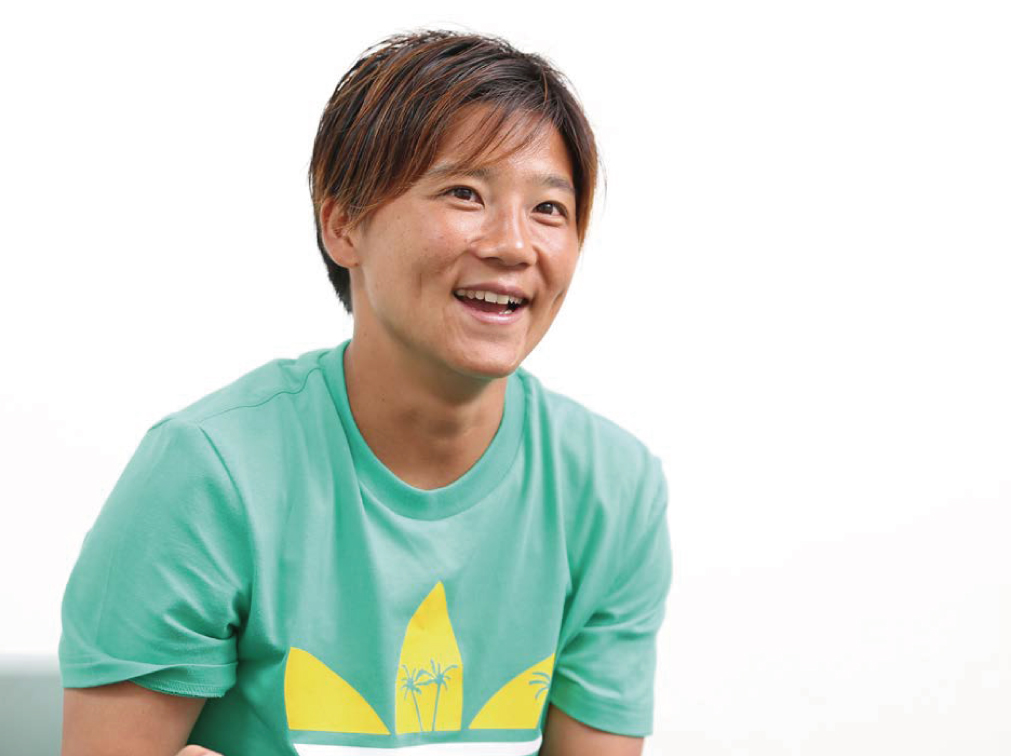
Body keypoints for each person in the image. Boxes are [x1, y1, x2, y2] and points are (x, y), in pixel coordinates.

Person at [59, 28, 673, 756]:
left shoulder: (609, 490)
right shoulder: (208, 475)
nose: (514, 245)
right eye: (465, 193)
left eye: (548, 209)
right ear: (342, 223)